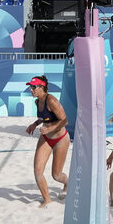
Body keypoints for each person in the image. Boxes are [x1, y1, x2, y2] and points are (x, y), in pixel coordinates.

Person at [24, 76, 69, 206]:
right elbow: (45, 118)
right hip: (46, 138)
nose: (31, 90)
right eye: (30, 87)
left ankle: (67, 183)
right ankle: (47, 199)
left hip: (60, 140)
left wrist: (51, 129)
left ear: (42, 87)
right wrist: (35, 124)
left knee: (56, 175)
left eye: (33, 87)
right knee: (37, 171)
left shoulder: (52, 100)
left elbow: (65, 120)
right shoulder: (38, 102)